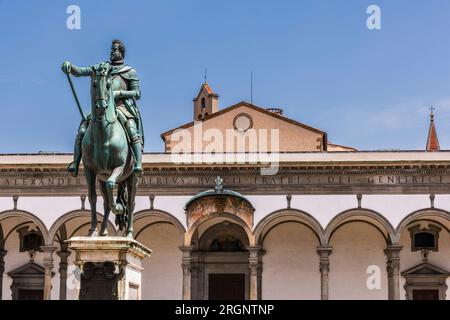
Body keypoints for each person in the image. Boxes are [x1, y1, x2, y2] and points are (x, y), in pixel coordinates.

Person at [61, 39, 144, 176]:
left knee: (131, 129)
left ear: (121, 52)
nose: (111, 52)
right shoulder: (102, 68)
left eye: (114, 50)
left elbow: (137, 93)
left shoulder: (130, 72)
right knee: (82, 130)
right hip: (102, 107)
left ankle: (138, 164)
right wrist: (70, 66)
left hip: (122, 106)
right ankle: (75, 163)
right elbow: (81, 71)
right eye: (111, 49)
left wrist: (118, 93)